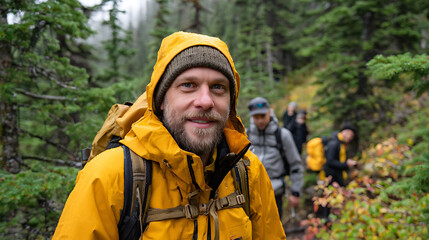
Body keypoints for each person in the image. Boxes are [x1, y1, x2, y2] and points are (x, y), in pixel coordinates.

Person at [52, 32, 286, 239]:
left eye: (218, 87)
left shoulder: (248, 172)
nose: (205, 101)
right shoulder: (108, 177)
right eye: (188, 85)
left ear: (230, 103)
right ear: (161, 100)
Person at [246, 97, 304, 219]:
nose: (260, 120)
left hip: (274, 193)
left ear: (269, 112)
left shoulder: (283, 135)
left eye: (263, 116)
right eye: (257, 117)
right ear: (252, 117)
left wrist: (296, 192)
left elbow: (296, 165)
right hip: (249, 195)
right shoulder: (246, 135)